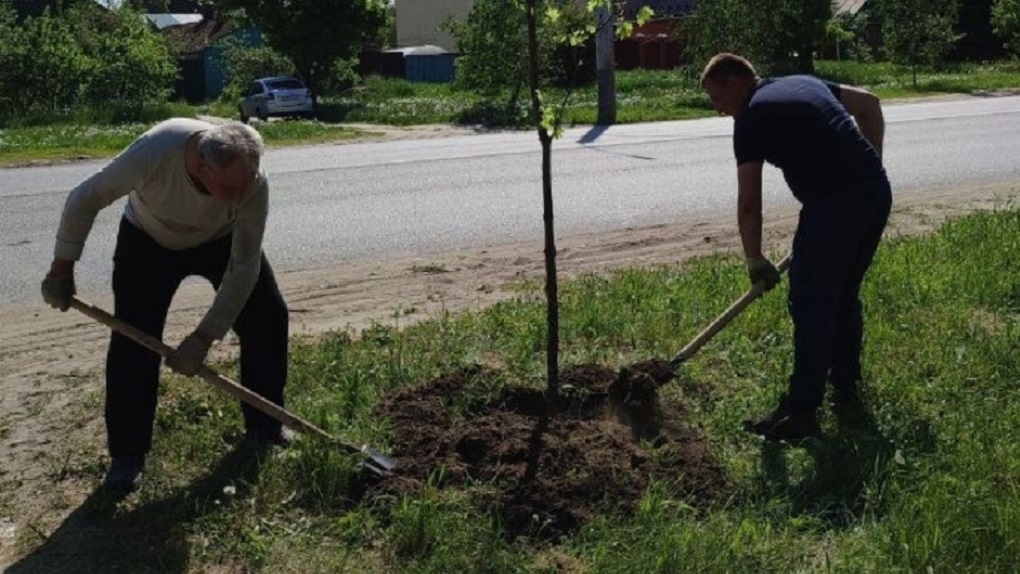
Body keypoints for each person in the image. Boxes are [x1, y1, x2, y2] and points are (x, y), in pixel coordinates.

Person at [41, 119, 290, 491]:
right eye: (231, 187)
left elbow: (244, 267)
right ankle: (127, 456)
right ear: (202, 167)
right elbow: (84, 198)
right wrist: (61, 269)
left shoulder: (251, 183)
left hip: (219, 241)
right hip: (148, 239)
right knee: (134, 341)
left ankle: (266, 426)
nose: (242, 194)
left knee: (268, 319)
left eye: (248, 182)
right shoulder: (156, 151)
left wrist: (204, 337)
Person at [699, 53, 892, 441]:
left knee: (810, 300)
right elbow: (870, 104)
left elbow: (749, 202)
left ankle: (801, 413)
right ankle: (845, 386)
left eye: (717, 99)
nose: (719, 111)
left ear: (736, 83)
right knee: (842, 295)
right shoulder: (804, 81)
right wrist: (869, 167)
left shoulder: (750, 119)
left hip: (835, 204)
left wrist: (754, 259)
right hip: (874, 193)